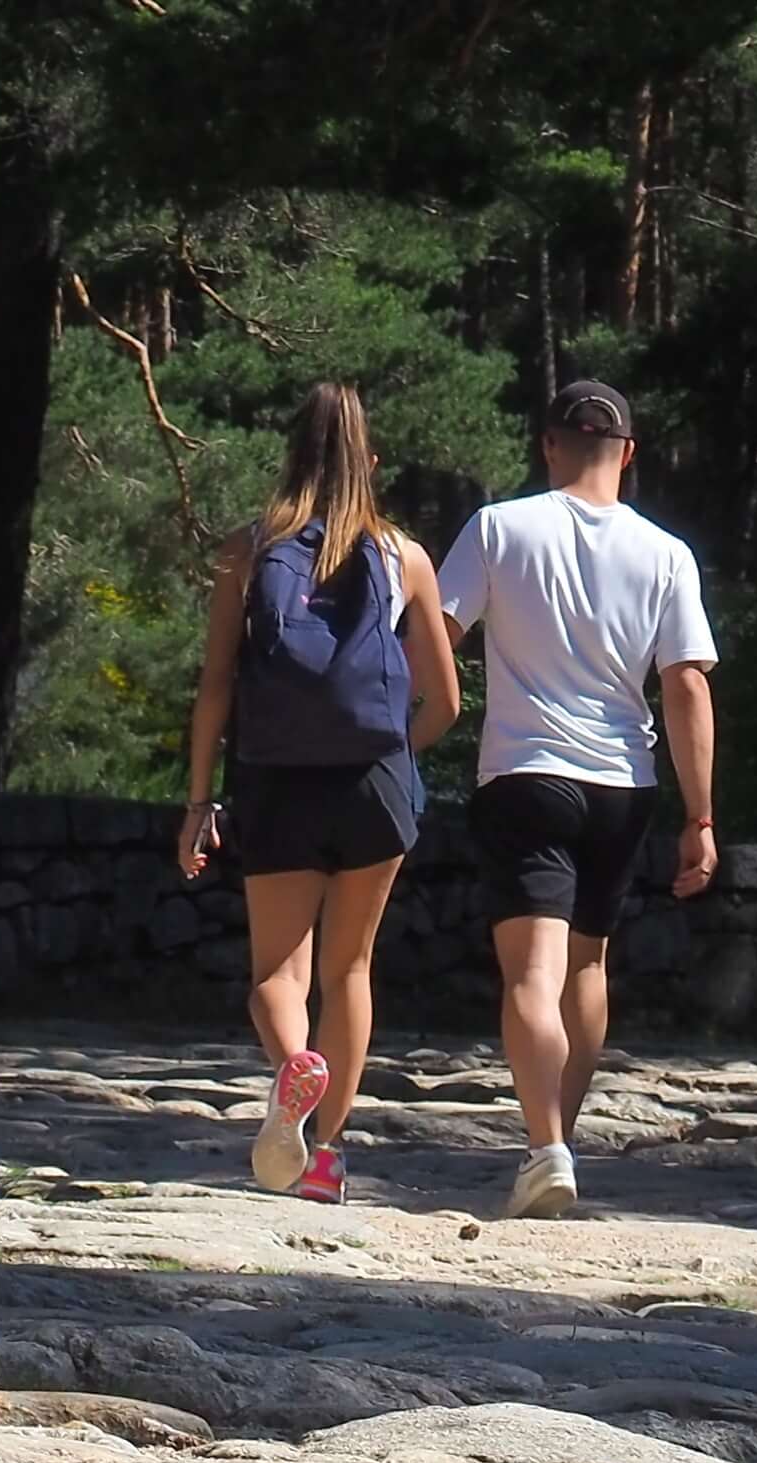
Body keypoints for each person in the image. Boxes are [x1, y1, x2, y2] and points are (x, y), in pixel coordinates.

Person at [437, 377, 720, 1220]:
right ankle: (560, 1134)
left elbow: (433, 637)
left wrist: (421, 721)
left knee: (531, 970)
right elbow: (687, 688)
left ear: (549, 445)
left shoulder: (499, 528)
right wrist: (700, 817)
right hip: (621, 785)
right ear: (628, 455)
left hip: (525, 771)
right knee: (588, 966)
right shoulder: (667, 553)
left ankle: (544, 1146)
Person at [177, 382, 461, 1207]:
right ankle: (326, 1154)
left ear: (292, 455)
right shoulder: (403, 555)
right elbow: (443, 701)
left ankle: (294, 1067)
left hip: (276, 780)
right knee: (351, 967)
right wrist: (395, 758)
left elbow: (216, 688)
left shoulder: (248, 548)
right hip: (374, 781)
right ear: (368, 462)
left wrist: (200, 803)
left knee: (277, 973)